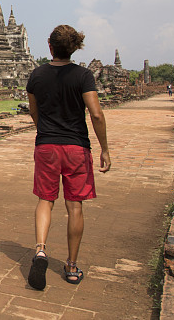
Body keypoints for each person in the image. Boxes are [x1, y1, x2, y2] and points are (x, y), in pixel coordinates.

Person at [25, 25, 110, 290]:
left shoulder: (36, 76)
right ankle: (72, 267)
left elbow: (34, 111)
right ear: (74, 48)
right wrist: (105, 148)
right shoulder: (83, 76)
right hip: (76, 148)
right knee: (74, 206)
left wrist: (45, 132)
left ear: (49, 46)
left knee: (45, 200)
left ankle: (40, 251)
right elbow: (96, 114)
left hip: (47, 146)